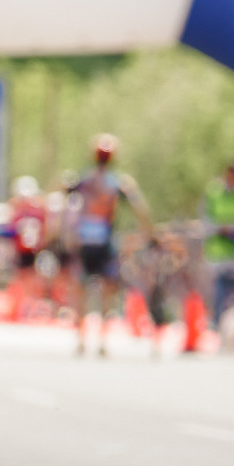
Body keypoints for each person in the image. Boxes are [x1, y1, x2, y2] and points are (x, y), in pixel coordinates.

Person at [66, 135, 152, 356]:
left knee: (82, 289)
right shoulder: (118, 182)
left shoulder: (83, 180)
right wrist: (149, 232)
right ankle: (102, 339)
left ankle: (81, 339)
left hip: (85, 240)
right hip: (105, 240)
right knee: (107, 289)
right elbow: (140, 208)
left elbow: (64, 201)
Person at [200, 163, 234, 335]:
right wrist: (218, 228)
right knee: (218, 293)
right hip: (218, 249)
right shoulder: (214, 192)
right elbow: (206, 216)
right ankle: (215, 328)